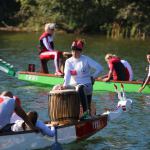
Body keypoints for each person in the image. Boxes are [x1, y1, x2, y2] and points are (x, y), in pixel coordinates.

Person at [59, 39, 103, 119]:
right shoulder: (68, 61)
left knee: (80, 87)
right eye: (73, 51)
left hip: (86, 85)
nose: (75, 53)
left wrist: (93, 77)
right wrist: (65, 85)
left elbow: (100, 68)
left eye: (77, 51)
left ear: (81, 51)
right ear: (71, 50)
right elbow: (67, 75)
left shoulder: (86, 59)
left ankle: (86, 113)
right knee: (57, 87)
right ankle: (60, 114)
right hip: (73, 85)